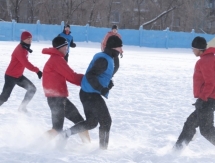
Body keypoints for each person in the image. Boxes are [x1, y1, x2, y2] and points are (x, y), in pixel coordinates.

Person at [61, 35, 123, 150]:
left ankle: (66, 134)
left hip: (87, 94)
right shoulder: (103, 60)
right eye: (120, 47)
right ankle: (103, 150)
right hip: (90, 95)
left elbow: (99, 75)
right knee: (106, 121)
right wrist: (101, 88)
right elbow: (90, 75)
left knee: (92, 122)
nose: (121, 50)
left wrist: (107, 85)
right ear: (114, 48)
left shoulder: (106, 57)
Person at [41, 36, 90, 143]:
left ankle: (87, 145)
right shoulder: (57, 60)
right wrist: (88, 80)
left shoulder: (56, 59)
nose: (67, 48)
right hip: (56, 99)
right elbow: (71, 76)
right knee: (58, 128)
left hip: (59, 98)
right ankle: (38, 144)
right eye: (65, 46)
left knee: (79, 121)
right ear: (59, 47)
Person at [174, 36, 215, 150]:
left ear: (199, 49)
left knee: (207, 130)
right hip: (208, 99)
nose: (192, 51)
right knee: (190, 124)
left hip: (208, 99)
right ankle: (177, 149)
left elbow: (211, 82)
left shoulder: (205, 61)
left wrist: (202, 98)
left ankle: (177, 149)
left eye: (194, 48)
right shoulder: (208, 58)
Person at [0, 31, 42, 112]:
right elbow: (26, 63)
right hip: (11, 76)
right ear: (23, 39)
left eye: (31, 38)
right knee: (4, 97)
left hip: (19, 76)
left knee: (32, 89)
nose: (30, 40)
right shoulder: (20, 49)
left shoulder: (25, 48)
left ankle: (22, 108)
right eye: (27, 38)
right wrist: (37, 70)